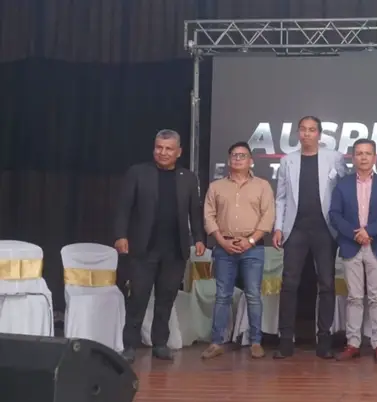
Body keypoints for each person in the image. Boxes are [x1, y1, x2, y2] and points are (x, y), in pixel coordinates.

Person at [114, 129, 205, 363]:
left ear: (179, 152)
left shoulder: (188, 178)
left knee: (166, 299)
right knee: (138, 299)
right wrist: (120, 235)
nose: (163, 152)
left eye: (168, 149)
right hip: (143, 249)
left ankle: (160, 344)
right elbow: (123, 207)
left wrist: (199, 238)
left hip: (175, 250)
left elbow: (195, 213)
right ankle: (130, 346)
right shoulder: (138, 173)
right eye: (159, 148)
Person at [272, 115, 348, 359]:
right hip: (295, 229)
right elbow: (281, 198)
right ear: (298, 133)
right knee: (289, 283)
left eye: (312, 130)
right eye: (303, 129)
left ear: (319, 134)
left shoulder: (334, 158)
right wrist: (278, 227)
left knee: (326, 283)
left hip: (325, 229)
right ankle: (286, 340)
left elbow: (345, 192)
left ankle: (324, 340)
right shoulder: (287, 160)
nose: (307, 134)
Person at [201, 142, 275, 360]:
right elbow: (208, 216)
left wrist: (250, 240)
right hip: (224, 247)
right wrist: (221, 241)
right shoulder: (216, 187)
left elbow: (268, 217)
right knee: (222, 296)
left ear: (251, 161)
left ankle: (256, 342)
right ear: (228, 160)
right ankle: (216, 342)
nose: (238, 159)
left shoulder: (262, 186)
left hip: (253, 248)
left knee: (253, 295)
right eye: (234, 155)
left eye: (243, 156)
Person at [329, 138, 377, 362]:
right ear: (353, 157)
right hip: (351, 246)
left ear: (375, 157)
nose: (363, 157)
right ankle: (353, 343)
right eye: (359, 153)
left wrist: (369, 232)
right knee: (354, 298)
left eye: (368, 153)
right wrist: (355, 234)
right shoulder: (343, 184)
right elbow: (334, 215)